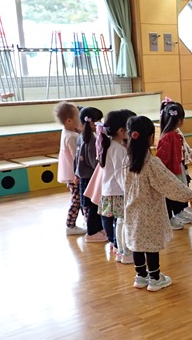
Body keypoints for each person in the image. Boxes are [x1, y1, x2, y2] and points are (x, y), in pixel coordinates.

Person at [124, 116, 192, 292]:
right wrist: (188, 195)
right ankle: (155, 278)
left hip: (132, 208)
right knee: (151, 245)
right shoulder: (151, 163)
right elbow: (169, 183)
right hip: (150, 211)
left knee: (137, 243)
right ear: (150, 138)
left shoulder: (126, 161)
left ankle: (140, 276)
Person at [98, 109, 136, 263]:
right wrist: (129, 190)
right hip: (119, 191)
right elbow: (122, 174)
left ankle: (120, 250)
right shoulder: (118, 149)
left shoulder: (109, 145)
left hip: (111, 190)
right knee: (123, 222)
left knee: (119, 221)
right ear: (121, 131)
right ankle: (125, 252)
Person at [157, 100, 192, 230]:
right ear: (179, 120)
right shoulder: (168, 137)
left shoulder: (175, 134)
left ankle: (178, 212)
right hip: (170, 172)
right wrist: (165, 174)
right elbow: (162, 159)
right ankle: (169, 218)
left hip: (177, 169)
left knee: (178, 193)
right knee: (169, 197)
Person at [74, 106, 106, 243]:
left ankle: (97, 229)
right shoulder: (91, 139)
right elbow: (94, 162)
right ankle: (92, 232)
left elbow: (76, 159)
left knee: (92, 205)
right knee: (94, 205)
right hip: (91, 177)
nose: (101, 123)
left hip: (83, 177)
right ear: (92, 123)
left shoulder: (81, 136)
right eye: (99, 120)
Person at [54, 101, 85, 235]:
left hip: (70, 172)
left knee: (78, 198)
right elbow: (75, 157)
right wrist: (78, 174)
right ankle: (70, 225)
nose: (79, 120)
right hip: (74, 174)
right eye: (77, 117)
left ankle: (83, 221)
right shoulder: (72, 136)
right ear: (69, 120)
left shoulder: (67, 131)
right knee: (76, 200)